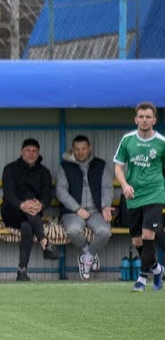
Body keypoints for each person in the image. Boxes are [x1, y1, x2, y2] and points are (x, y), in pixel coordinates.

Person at [113, 102, 165, 292]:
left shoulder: (161, 143)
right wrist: (125, 185)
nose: (144, 120)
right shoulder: (127, 141)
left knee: (148, 234)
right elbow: (118, 166)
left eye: (148, 117)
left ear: (154, 120)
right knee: (137, 240)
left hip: (155, 194)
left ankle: (142, 280)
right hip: (133, 196)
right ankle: (157, 269)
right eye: (141, 116)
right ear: (136, 119)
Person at [0, 138, 60, 282]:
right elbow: (9, 194)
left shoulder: (44, 172)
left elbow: (47, 195)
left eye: (34, 151)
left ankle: (22, 271)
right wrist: (22, 205)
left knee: (27, 227)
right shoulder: (10, 169)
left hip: (33, 214)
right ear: (22, 152)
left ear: (38, 153)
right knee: (29, 212)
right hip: (12, 211)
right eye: (27, 151)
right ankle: (45, 243)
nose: (31, 154)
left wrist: (41, 205)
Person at [56, 135, 113, 281]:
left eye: (84, 149)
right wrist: (76, 208)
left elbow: (107, 187)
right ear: (73, 150)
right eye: (77, 149)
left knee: (105, 232)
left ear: (89, 149)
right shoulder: (65, 166)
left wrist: (106, 206)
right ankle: (89, 253)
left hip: (96, 211)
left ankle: (87, 257)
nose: (80, 152)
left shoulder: (100, 165)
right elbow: (61, 191)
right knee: (73, 230)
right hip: (74, 212)